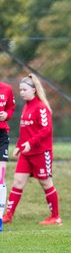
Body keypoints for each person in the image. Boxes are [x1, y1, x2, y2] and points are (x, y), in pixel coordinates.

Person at [2, 73, 61, 225]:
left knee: (46, 183)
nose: (21, 92)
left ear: (34, 90)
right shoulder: (26, 107)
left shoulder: (41, 107)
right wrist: (18, 147)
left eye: (24, 89)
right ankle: (8, 215)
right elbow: (25, 131)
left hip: (41, 152)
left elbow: (46, 130)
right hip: (26, 154)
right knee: (18, 182)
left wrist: (30, 143)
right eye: (20, 90)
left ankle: (55, 217)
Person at [0, 82, 15, 232]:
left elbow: (10, 108)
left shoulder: (6, 88)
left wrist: (6, 115)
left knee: (0, 178)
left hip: (2, 136)